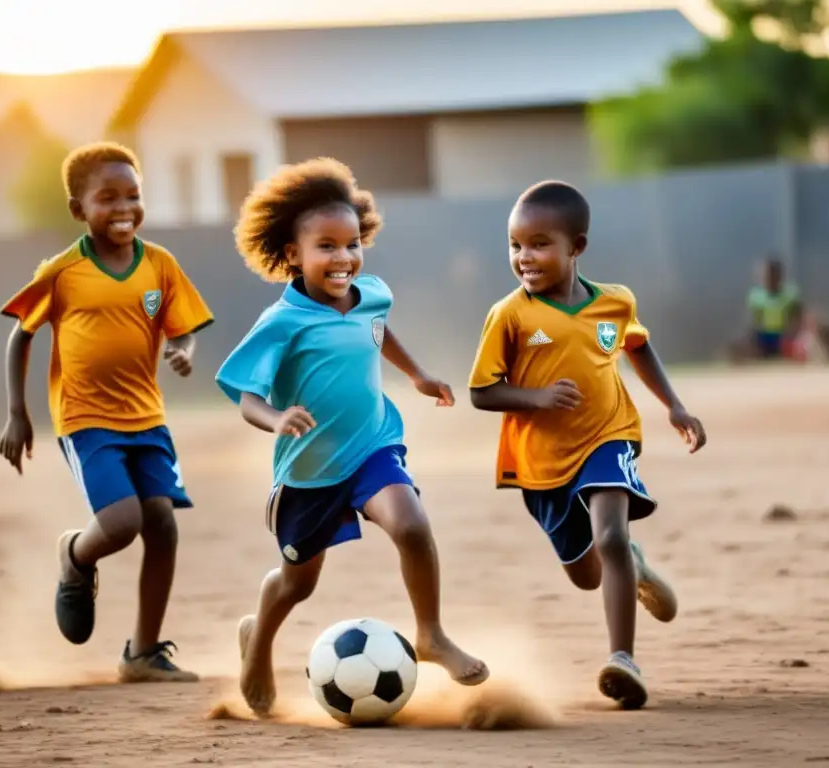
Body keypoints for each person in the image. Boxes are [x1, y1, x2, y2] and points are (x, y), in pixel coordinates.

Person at [215, 157, 488, 716]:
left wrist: (416, 374)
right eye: (327, 247)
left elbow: (378, 331)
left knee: (411, 525)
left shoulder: (371, 294)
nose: (343, 258)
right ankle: (258, 643)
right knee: (296, 585)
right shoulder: (281, 322)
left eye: (352, 243)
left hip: (371, 445)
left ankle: (430, 634)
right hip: (309, 471)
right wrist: (277, 419)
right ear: (293, 253)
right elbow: (245, 395)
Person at [468, 180, 707, 710]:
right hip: (542, 463)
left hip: (608, 435)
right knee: (585, 573)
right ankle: (635, 568)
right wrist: (537, 398)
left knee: (611, 538)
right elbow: (482, 393)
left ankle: (622, 659)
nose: (523, 257)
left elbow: (639, 348)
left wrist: (673, 405)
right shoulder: (509, 315)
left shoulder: (615, 303)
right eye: (514, 245)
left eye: (538, 243)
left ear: (576, 247)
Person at [0, 141, 213, 683]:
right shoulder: (62, 271)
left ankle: (142, 654)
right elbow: (19, 338)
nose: (123, 207)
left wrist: (184, 351)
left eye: (133, 195)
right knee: (122, 523)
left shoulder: (160, 264)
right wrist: (17, 412)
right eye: (107, 197)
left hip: (148, 417)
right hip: (85, 419)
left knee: (161, 525)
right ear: (79, 209)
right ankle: (75, 554)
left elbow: (182, 327)